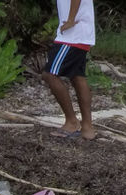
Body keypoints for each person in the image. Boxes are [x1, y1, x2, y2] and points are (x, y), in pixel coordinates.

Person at [41, 0, 96, 140]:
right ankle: (87, 127)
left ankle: (72, 121)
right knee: (77, 76)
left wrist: (71, 19)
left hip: (73, 34)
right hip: (80, 33)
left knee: (49, 74)